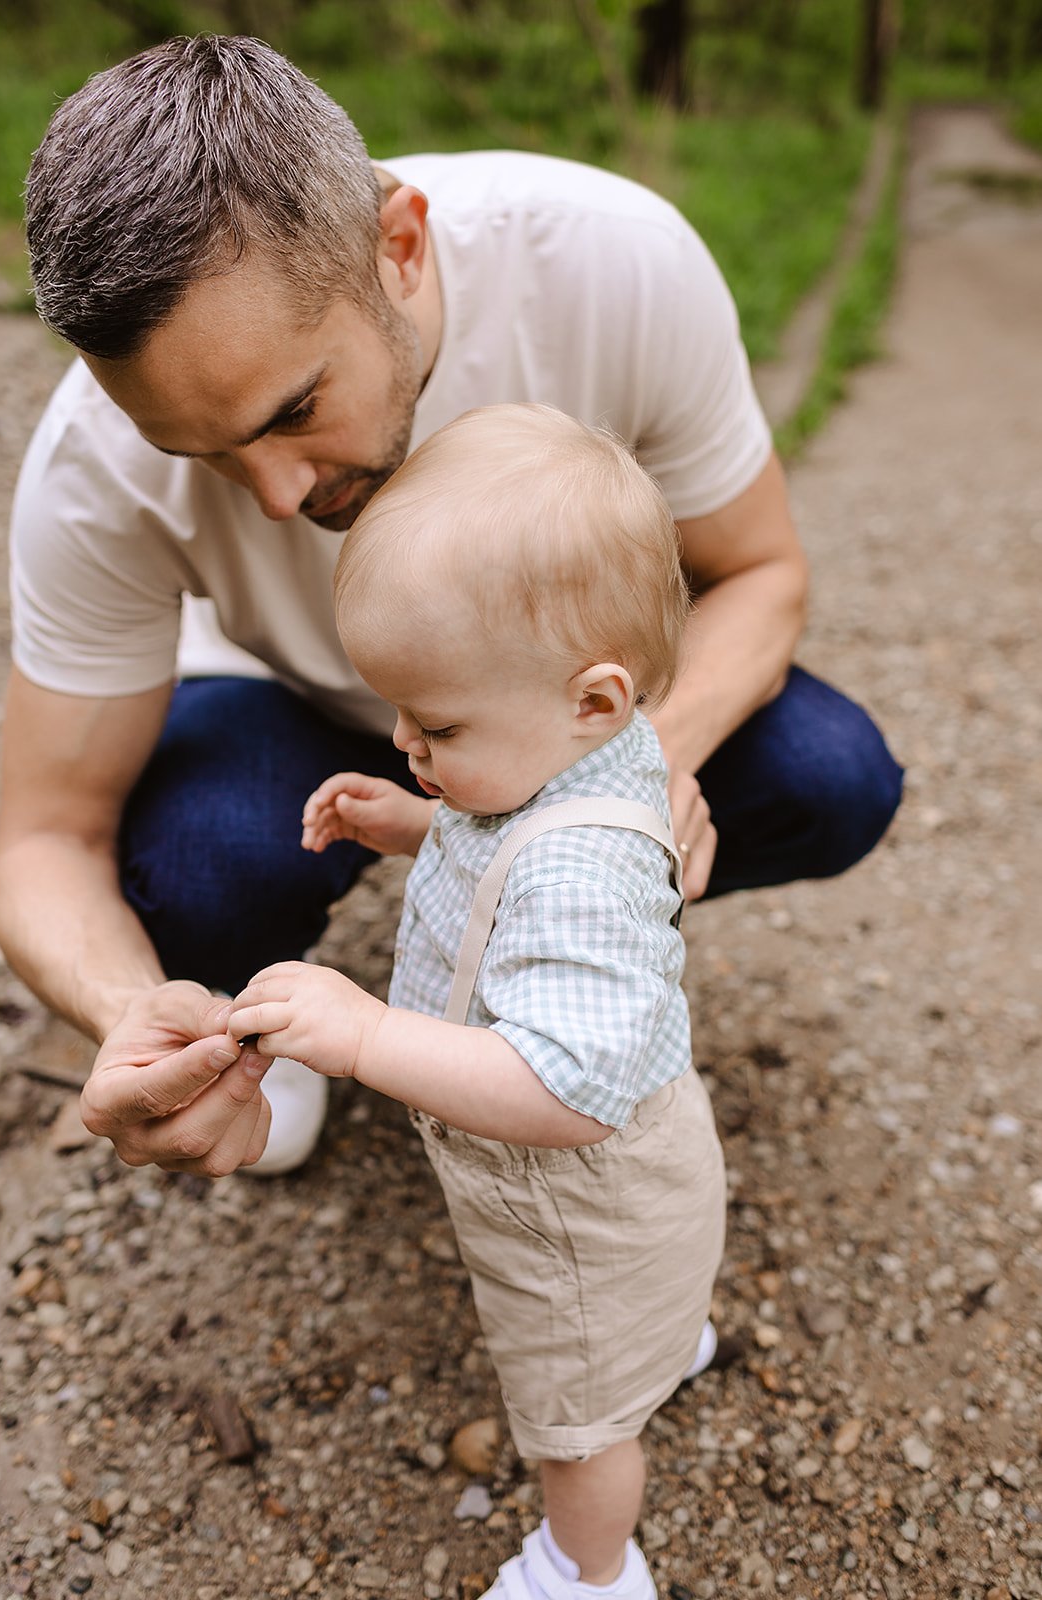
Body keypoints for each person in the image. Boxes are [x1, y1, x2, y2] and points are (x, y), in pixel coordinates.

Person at [0, 35, 903, 1177]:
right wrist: (125, 1013)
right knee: (192, 867)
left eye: (292, 409)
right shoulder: (91, 467)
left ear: (400, 246)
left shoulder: (612, 262)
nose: (275, 498)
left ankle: (542, 954)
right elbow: (44, 839)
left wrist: (623, 778)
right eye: (203, 452)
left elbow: (763, 574)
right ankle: (274, 1037)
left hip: (546, 703)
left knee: (829, 774)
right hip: (279, 703)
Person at [228, 403, 726, 1600]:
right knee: (629, 1320)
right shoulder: (565, 753)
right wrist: (415, 820)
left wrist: (361, 1034)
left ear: (593, 700)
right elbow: (497, 832)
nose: (405, 739)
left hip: (576, 1204)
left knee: (574, 1419)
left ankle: (586, 1568)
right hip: (637, 1182)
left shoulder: (583, 871)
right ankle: (663, 1339)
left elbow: (560, 1089)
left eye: (437, 726)